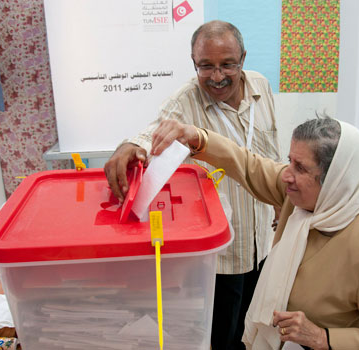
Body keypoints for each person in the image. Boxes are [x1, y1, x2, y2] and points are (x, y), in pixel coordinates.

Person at [148, 117, 359, 350]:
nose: (286, 175)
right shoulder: (307, 195)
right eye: (289, 161)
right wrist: (198, 138)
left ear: (335, 179)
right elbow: (249, 165)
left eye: (300, 168)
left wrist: (323, 337)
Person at [103, 20, 281, 349]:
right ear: (193, 62)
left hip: (263, 242)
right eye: (206, 66)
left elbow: (271, 154)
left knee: (254, 324)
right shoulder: (186, 102)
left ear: (243, 58)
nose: (217, 76)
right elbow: (154, 130)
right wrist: (131, 147)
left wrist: (280, 202)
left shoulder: (261, 87)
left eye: (228, 64)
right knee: (223, 333)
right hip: (223, 255)